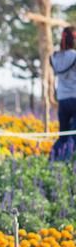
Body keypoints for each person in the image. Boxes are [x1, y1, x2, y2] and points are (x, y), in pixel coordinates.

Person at [50, 26, 76, 160]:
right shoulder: (74, 56)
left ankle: (53, 160)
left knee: (64, 135)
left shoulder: (54, 57)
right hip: (75, 97)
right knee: (74, 135)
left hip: (62, 99)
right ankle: (66, 162)